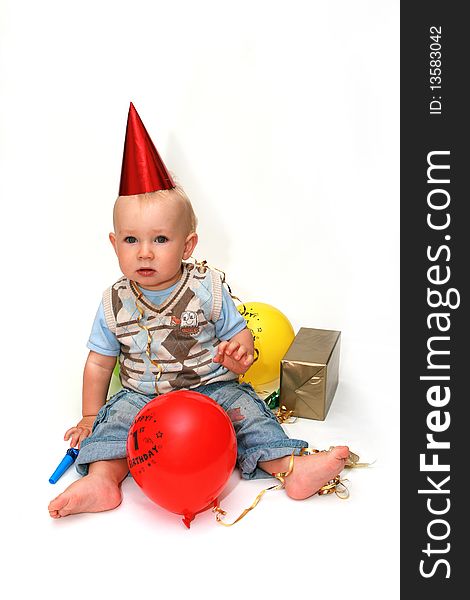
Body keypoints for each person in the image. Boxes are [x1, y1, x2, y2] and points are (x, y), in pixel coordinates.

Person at [48, 103, 350, 519]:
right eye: (132, 240)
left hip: (212, 389)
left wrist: (239, 352)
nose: (146, 252)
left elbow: (239, 333)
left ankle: (290, 468)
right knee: (116, 425)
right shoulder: (113, 302)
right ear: (114, 244)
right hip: (144, 398)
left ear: (188, 245)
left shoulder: (207, 288)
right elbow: (100, 365)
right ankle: (103, 479)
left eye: (160, 239)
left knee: (247, 417)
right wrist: (88, 414)